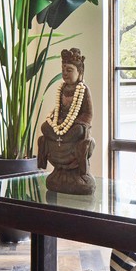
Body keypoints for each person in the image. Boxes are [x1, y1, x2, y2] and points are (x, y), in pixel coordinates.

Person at [37, 48, 95, 194]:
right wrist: (55, 120)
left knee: (77, 131)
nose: (65, 73)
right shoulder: (62, 88)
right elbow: (59, 108)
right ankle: (48, 159)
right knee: (45, 127)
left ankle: (76, 168)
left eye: (69, 70)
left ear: (80, 73)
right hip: (62, 122)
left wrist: (78, 123)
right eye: (63, 70)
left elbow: (88, 113)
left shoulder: (83, 89)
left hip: (75, 124)